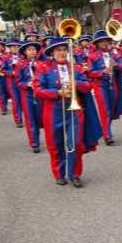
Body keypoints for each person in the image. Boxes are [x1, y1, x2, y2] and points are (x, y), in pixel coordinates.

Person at [33, 38, 102, 186]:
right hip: (53, 110)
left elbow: (88, 85)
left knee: (75, 142)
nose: (62, 53)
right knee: (55, 144)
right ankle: (59, 173)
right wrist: (57, 93)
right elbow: (38, 90)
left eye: (64, 49)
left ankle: (74, 174)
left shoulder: (75, 67)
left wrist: (76, 83)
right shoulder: (43, 67)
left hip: (75, 110)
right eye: (58, 50)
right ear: (52, 52)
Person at [86, 30, 122, 145]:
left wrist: (117, 65)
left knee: (112, 110)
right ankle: (107, 135)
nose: (104, 43)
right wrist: (101, 72)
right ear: (97, 43)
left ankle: (105, 130)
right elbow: (89, 72)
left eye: (106, 41)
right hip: (100, 85)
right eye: (101, 41)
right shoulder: (92, 56)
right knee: (105, 110)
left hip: (113, 84)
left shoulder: (114, 54)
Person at [16, 41, 43, 153]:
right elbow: (18, 82)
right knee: (30, 119)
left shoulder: (42, 63)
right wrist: (27, 84)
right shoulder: (20, 65)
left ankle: (39, 137)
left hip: (40, 94)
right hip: (27, 95)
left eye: (34, 49)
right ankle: (34, 142)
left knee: (39, 118)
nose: (32, 52)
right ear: (25, 52)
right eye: (29, 50)